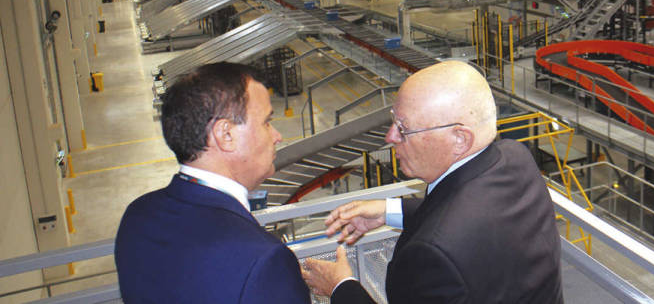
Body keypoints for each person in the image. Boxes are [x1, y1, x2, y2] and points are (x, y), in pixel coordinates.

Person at [301, 60, 563, 304]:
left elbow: (449, 230)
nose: (390, 136)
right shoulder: (515, 158)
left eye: (404, 128)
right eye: (393, 121)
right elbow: (469, 216)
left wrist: (340, 286)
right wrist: (389, 211)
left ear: (460, 139)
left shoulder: (431, 257)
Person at [114, 62, 310, 304]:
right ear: (225, 135)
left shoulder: (138, 215)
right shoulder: (263, 261)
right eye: (267, 122)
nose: (277, 135)